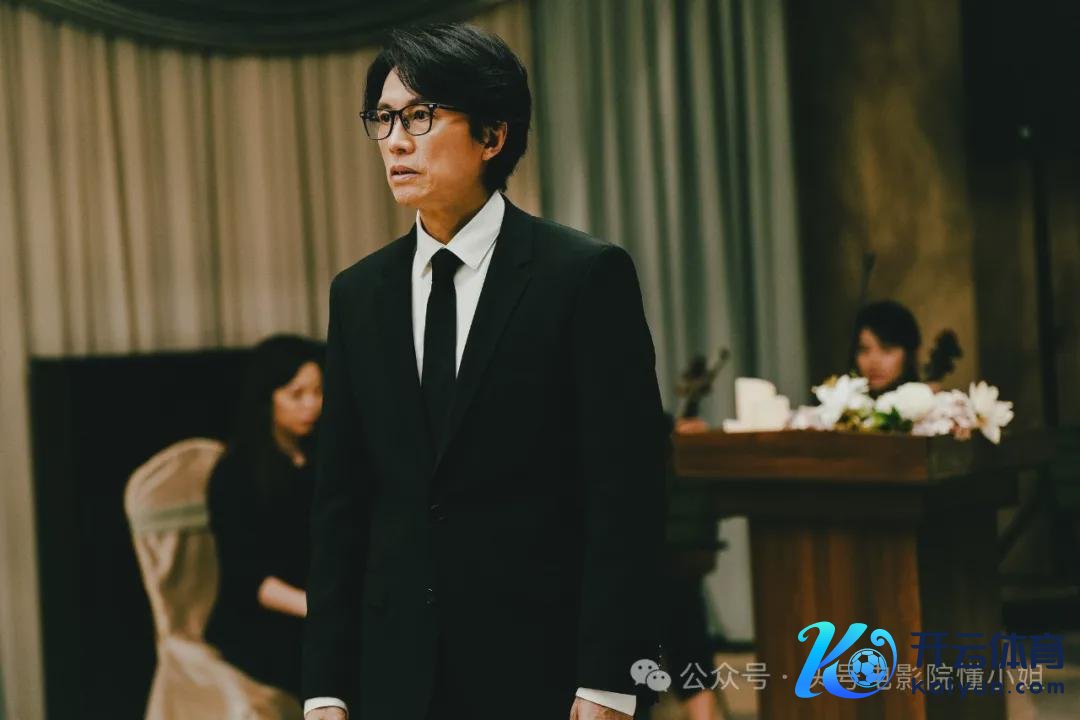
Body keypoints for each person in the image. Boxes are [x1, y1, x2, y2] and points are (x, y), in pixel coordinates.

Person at [302, 23, 667, 720]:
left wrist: (608, 682)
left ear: (493, 135)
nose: (395, 141)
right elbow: (341, 503)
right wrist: (326, 687)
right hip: (395, 675)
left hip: (542, 669)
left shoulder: (582, 276)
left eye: (420, 116)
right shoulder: (358, 294)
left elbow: (627, 494)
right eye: (383, 118)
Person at [204, 334, 325, 701]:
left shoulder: (319, 458)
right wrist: (321, 609)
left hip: (317, 607)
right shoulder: (235, 473)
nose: (312, 405)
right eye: (296, 394)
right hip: (262, 620)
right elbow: (249, 579)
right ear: (267, 397)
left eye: (318, 392)